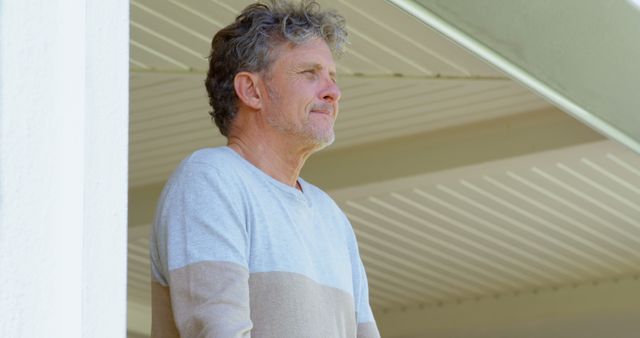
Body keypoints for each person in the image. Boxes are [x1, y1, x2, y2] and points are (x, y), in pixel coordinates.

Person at [149, 1, 380, 337]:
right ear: (252, 91)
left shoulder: (332, 218)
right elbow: (219, 331)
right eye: (309, 73)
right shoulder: (210, 179)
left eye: (332, 76)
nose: (333, 92)